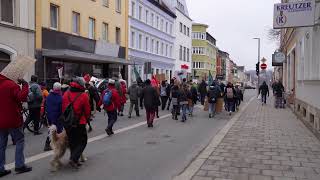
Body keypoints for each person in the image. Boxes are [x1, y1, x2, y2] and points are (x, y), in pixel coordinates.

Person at [0, 75, 32, 177]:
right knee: (19, 140)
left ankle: (0, 168)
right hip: (12, 118)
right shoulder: (12, 85)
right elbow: (22, 97)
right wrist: (25, 85)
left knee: (1, 145)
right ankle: (19, 165)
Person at [62, 77, 91, 168]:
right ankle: (74, 159)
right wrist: (88, 119)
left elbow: (63, 107)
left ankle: (74, 159)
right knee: (82, 141)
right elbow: (87, 110)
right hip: (79, 122)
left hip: (68, 122)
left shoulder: (66, 93)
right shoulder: (83, 95)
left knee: (72, 141)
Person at [44, 82, 63, 151]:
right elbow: (61, 109)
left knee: (51, 130)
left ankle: (49, 144)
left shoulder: (49, 96)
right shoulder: (60, 97)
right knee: (58, 131)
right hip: (57, 117)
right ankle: (54, 144)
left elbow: (45, 105)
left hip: (49, 116)